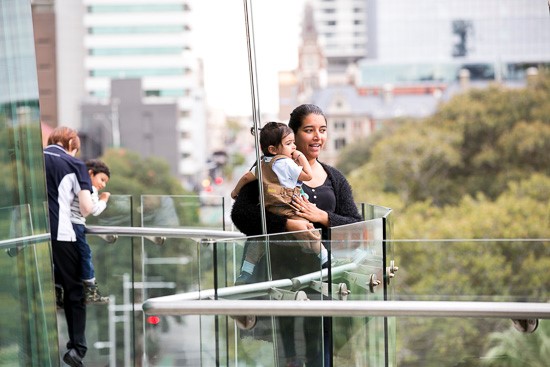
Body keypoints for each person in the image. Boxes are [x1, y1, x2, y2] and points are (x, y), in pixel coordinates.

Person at [231, 104, 362, 367]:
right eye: (309, 130)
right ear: (293, 134)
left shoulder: (334, 178)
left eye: (322, 130)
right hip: (278, 276)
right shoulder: (270, 170)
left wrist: (321, 216)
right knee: (285, 351)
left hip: (322, 278)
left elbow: (356, 226)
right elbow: (241, 215)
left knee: (319, 349)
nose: (317, 137)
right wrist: (287, 223)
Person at [231, 121, 327, 285]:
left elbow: (247, 177)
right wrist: (301, 158)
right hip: (289, 208)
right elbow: (307, 176)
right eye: (289, 144)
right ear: (273, 149)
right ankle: (326, 259)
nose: (294, 148)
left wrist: (235, 191)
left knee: (257, 243)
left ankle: (246, 272)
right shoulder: (285, 162)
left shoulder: (262, 165)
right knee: (309, 231)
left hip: (272, 208)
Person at [44, 126, 96, 367]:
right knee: (74, 291)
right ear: (72, 145)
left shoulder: (38, 158)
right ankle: (76, 349)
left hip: (35, 234)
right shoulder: (75, 165)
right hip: (62, 234)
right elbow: (86, 207)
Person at [69, 159, 111, 304]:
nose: (103, 184)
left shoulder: (75, 183)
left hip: (67, 224)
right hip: (76, 225)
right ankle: (91, 291)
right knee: (85, 255)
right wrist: (104, 200)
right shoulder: (89, 188)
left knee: (71, 258)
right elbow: (95, 210)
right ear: (91, 173)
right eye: (102, 179)